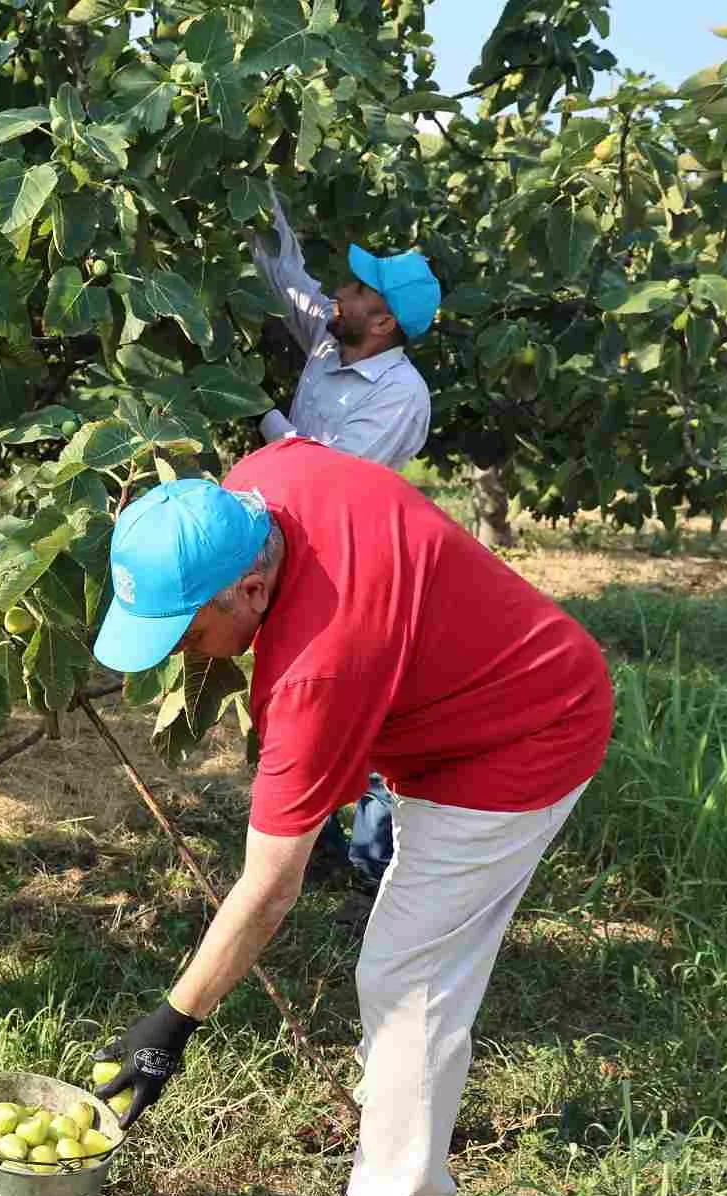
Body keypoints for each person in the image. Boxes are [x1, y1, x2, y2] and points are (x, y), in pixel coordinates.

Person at [88, 439, 612, 1196]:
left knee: (410, 978)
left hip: (524, 736)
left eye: (186, 631)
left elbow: (269, 889)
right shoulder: (262, 484)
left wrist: (171, 1025)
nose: (181, 653)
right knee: (405, 965)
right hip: (463, 700)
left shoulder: (314, 672)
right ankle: (391, 1152)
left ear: (252, 589)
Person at [250, 189, 444, 891]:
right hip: (289, 544)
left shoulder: (401, 395)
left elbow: (330, 475)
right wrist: (255, 198)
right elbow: (287, 279)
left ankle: (376, 865)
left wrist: (258, 410)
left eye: (358, 289)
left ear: (384, 320)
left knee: (359, 705)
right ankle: (319, 845)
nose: (340, 292)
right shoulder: (331, 341)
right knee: (295, 694)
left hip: (349, 559)